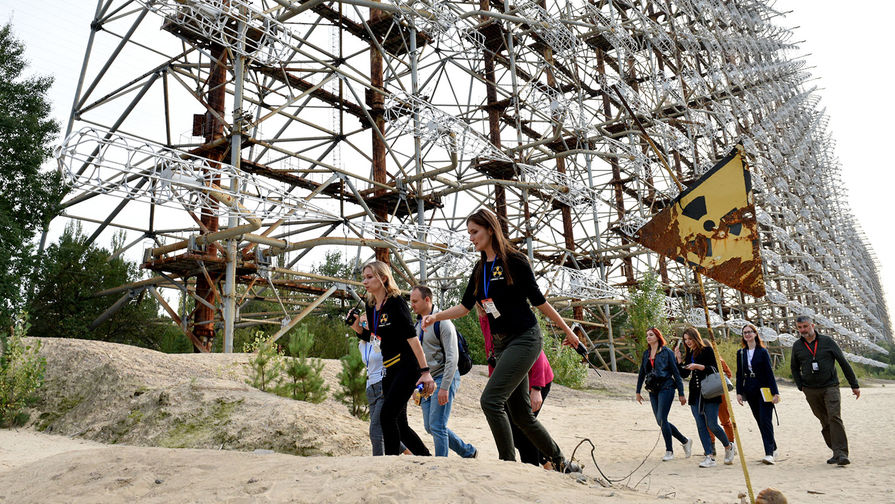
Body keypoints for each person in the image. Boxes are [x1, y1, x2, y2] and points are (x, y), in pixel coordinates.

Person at [422, 208, 581, 473]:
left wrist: (568, 330)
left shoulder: (514, 261)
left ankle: (507, 465)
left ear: (490, 229)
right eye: (469, 233)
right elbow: (464, 307)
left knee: (490, 401)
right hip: (502, 344)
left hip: (525, 338)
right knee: (520, 415)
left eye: (475, 232)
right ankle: (562, 461)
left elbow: (539, 301)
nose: (471, 238)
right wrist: (435, 316)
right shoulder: (479, 269)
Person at [350, 261, 434, 456]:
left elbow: (413, 340)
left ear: (384, 278)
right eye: (364, 277)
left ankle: (390, 462)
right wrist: (356, 327)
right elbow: (374, 338)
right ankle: (426, 457)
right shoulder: (370, 306)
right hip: (389, 369)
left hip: (406, 365)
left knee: (387, 415)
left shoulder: (396, 302)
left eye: (370, 277)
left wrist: (425, 372)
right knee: (399, 423)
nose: (365, 281)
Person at [410, 285, 478, 458]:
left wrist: (445, 387)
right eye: (411, 301)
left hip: (444, 377)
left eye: (415, 301)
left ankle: (441, 465)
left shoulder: (443, 323)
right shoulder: (417, 324)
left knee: (438, 425)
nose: (412, 305)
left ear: (427, 300)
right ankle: (468, 452)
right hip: (426, 380)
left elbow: (452, 358)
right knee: (429, 426)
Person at [480, 308, 553, 468]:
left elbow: (536, 349)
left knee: (521, 427)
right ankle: (547, 461)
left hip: (536, 378)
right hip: (513, 378)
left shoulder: (504, 310)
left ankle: (535, 466)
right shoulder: (484, 318)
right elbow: (493, 350)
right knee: (511, 428)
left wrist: (537, 388)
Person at [790, 315, 860, 466]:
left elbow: (843, 362)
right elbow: (794, 368)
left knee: (834, 417)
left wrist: (854, 384)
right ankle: (835, 451)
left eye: (806, 326)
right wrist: (800, 385)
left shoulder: (827, 342)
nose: (803, 330)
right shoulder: (797, 346)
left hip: (830, 386)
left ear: (812, 326)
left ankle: (841, 453)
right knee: (824, 420)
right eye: (800, 327)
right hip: (810, 389)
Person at [676, 327, 736, 468]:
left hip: (709, 392)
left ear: (696, 337)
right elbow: (684, 374)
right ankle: (709, 456)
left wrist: (698, 366)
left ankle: (728, 446)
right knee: (701, 425)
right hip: (695, 393)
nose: (688, 342)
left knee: (712, 424)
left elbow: (715, 369)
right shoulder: (689, 352)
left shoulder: (707, 350)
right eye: (685, 340)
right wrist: (679, 360)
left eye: (690, 339)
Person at [635, 327, 692, 462]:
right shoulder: (646, 353)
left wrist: (681, 393)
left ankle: (669, 451)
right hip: (653, 389)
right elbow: (642, 373)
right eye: (647, 335)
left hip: (667, 387)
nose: (648, 337)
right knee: (660, 421)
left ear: (657, 337)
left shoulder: (667, 352)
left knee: (662, 418)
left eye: (651, 335)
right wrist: (637, 391)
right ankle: (685, 441)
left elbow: (676, 373)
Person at [356, 333, 409, 456]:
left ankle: (378, 463)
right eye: (361, 322)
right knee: (383, 428)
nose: (363, 325)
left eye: (366, 322)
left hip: (383, 385)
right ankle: (409, 453)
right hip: (370, 387)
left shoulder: (383, 339)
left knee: (375, 430)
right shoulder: (361, 345)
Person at [735, 323, 780, 465]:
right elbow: (739, 374)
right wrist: (739, 392)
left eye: (750, 332)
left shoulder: (762, 352)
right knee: (760, 421)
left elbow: (769, 373)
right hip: (750, 390)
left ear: (755, 334)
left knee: (765, 420)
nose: (747, 335)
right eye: (745, 333)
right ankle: (773, 447)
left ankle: (769, 453)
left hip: (764, 390)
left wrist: (775, 393)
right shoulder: (741, 353)